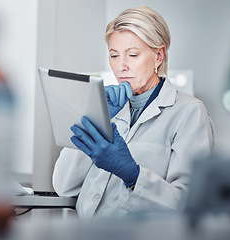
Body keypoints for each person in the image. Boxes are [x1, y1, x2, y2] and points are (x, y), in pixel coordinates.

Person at [52, 6, 214, 218]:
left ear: (158, 56)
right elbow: (63, 186)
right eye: (114, 55)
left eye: (133, 54)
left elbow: (189, 204)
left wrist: (133, 175)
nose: (121, 66)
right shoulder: (110, 108)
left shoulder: (189, 113)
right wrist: (94, 117)